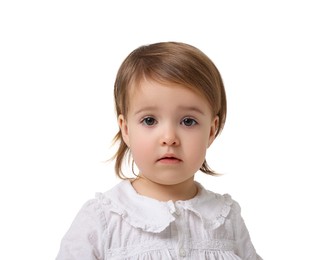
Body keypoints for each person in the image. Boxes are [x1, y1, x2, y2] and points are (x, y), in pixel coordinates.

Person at [56, 42, 262, 259]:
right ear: (126, 130)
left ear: (211, 131)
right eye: (149, 120)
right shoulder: (103, 218)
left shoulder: (226, 218)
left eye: (188, 121)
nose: (169, 138)